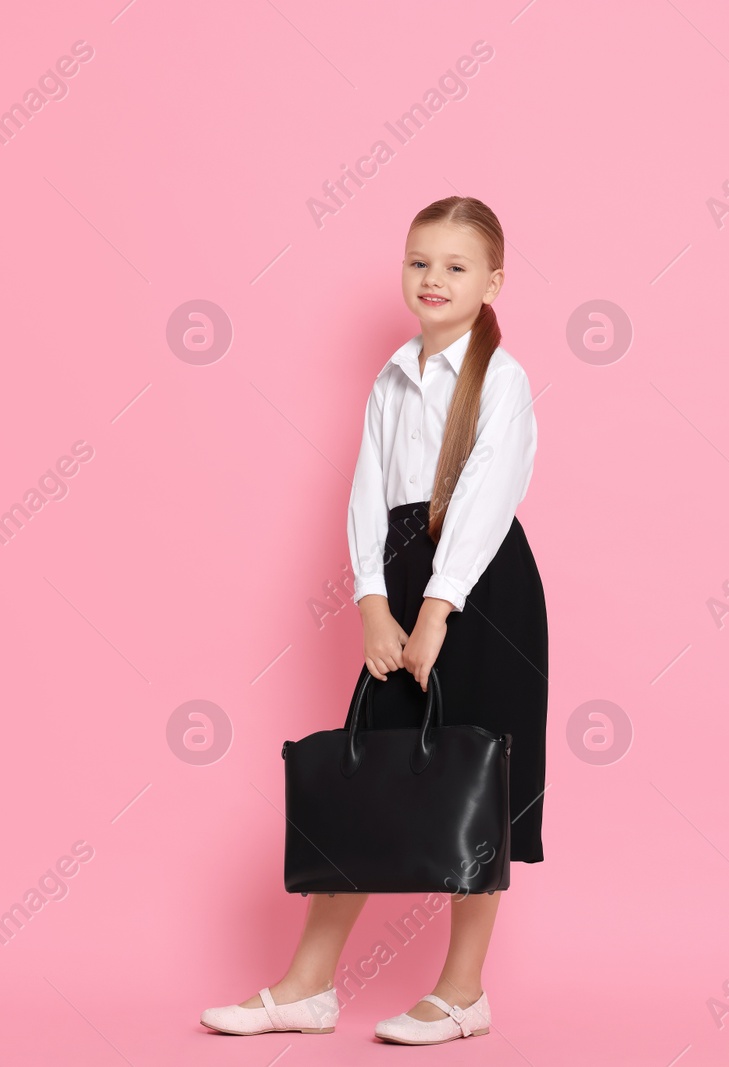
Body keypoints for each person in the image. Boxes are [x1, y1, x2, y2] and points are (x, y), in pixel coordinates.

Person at [200, 195, 548, 1046]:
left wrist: (437, 610)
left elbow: (486, 498)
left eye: (456, 266)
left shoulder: (502, 380)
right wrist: (369, 603)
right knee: (365, 773)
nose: (433, 279)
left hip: (482, 589)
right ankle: (308, 985)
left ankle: (464, 990)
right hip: (399, 582)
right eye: (419, 261)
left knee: (478, 779)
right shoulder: (393, 376)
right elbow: (365, 493)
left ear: (494, 282)